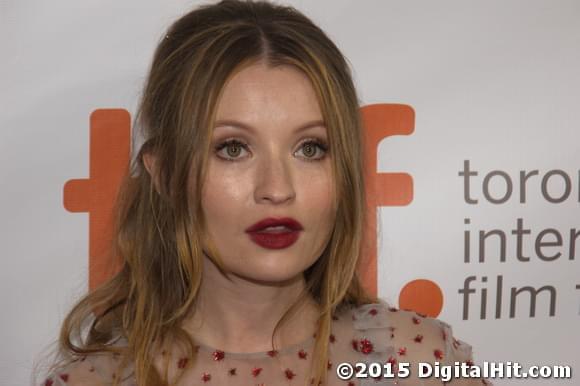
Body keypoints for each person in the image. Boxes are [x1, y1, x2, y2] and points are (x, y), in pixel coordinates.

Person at [37, 1, 492, 385]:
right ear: (165, 175)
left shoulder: (421, 365)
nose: (277, 189)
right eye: (232, 148)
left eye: (310, 148)